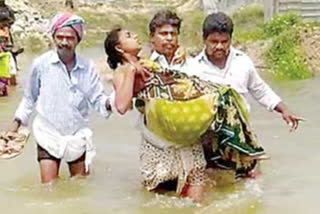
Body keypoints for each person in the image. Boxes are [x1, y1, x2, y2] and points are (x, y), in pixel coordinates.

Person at [104, 27, 265, 202]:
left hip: (187, 137)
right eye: (128, 35)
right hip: (159, 142)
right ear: (119, 48)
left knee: (196, 199)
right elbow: (121, 106)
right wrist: (131, 72)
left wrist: (180, 49)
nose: (134, 36)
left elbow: (168, 58)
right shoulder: (122, 72)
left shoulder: (147, 61)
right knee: (157, 197)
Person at [185, 12, 301, 173]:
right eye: (214, 41)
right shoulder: (192, 68)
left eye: (224, 41)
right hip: (208, 139)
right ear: (204, 39)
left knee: (253, 179)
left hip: (241, 136)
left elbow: (260, 90)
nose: (219, 46)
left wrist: (284, 110)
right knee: (213, 180)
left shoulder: (243, 62)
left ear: (230, 40)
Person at [6, 12, 114, 184]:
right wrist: (15, 125)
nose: (64, 42)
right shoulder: (41, 64)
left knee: (80, 186)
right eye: (60, 37)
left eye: (70, 38)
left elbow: (98, 99)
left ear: (78, 39)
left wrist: (113, 102)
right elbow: (29, 98)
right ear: (53, 37)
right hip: (47, 133)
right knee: (49, 189)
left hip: (77, 134)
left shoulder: (88, 67)